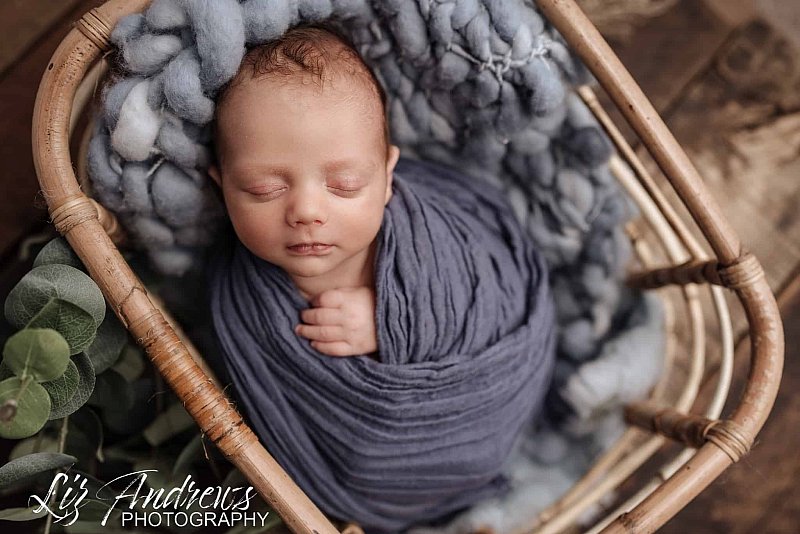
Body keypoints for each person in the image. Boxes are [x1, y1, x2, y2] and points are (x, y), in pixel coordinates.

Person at [208, 24, 397, 360]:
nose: (307, 211)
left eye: (345, 184)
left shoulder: (430, 248)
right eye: (264, 189)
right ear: (222, 188)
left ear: (387, 178)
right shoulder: (236, 298)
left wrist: (395, 320)